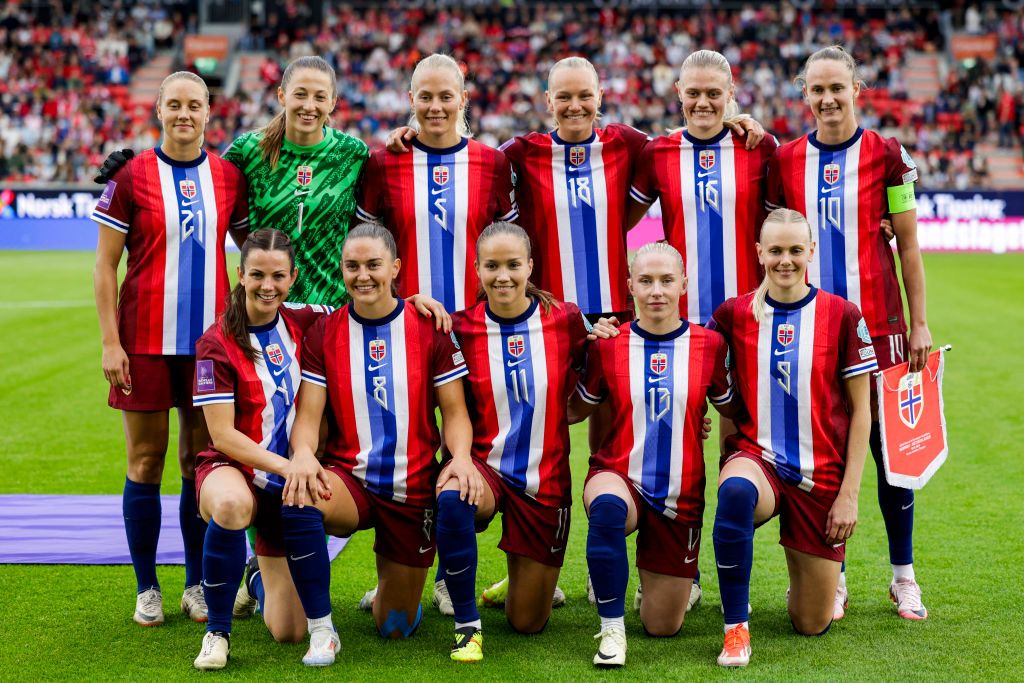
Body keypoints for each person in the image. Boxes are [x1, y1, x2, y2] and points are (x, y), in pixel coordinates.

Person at [766, 45, 932, 621]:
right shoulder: (785, 161)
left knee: (893, 459)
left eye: (838, 87)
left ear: (857, 89)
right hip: (816, 332)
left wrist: (918, 322)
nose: (828, 98)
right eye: (817, 89)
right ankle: (834, 577)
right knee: (830, 457)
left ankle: (903, 576)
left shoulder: (888, 154)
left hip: (882, 328)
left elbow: (908, 246)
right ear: (804, 95)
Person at [91, 71, 249, 629]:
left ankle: (197, 585)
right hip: (143, 343)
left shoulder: (230, 177)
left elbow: (254, 253)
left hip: (209, 347)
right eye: (174, 105)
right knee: (145, 460)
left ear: (210, 112)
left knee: (198, 463)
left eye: (195, 105)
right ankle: (147, 586)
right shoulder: (133, 176)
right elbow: (105, 265)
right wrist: (111, 342)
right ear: (159, 110)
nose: (185, 114)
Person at [281, 223, 477, 667]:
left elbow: (455, 412)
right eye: (352, 266)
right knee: (299, 496)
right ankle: (322, 630)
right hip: (349, 480)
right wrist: (305, 456)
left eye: (373, 265)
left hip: (412, 489)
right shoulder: (324, 332)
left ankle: (392, 588)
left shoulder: (430, 328)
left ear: (395, 267)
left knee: (395, 627)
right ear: (341, 269)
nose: (362, 275)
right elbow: (309, 416)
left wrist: (461, 458)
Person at [437, 221, 612, 662]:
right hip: (482, 470)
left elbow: (605, 366)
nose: (503, 276)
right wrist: (417, 301)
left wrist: (611, 335)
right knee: (453, 498)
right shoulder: (459, 328)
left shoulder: (566, 320)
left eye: (514, 265)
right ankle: (466, 625)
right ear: (476, 270)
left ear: (530, 266)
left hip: (544, 480)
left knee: (527, 623)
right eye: (492, 266)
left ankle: (517, 584)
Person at [708, 208, 874, 668]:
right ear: (759, 253)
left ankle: (816, 578)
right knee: (735, 491)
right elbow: (685, 355)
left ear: (811, 253)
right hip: (756, 459)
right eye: (776, 251)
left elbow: (863, 412)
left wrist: (849, 496)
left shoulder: (841, 315)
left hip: (820, 476)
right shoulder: (733, 313)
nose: (785, 260)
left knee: (811, 622)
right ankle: (735, 629)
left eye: (795, 250)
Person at [569, 242, 738, 668]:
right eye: (645, 281)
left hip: (679, 497)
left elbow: (733, 408)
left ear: (683, 283)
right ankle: (611, 631)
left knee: (662, 625)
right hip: (617, 475)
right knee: (606, 508)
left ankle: (653, 583)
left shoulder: (710, 345)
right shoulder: (607, 346)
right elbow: (573, 410)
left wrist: (698, 418)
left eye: (666, 280)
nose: (656, 290)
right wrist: (573, 344)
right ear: (630, 287)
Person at [96, 56, 369, 308]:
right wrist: (130, 168)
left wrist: (405, 136)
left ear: (333, 102)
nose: (309, 105)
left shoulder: (354, 153)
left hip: (333, 309)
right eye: (300, 94)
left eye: (320, 97)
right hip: (265, 311)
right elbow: (201, 175)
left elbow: (375, 214)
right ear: (282, 96)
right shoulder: (248, 150)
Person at [190, 229, 330, 670]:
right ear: (240, 274)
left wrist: (420, 302)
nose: (267, 286)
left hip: (283, 485)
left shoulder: (305, 319)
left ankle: (253, 579)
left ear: (293, 278)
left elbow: (369, 307)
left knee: (288, 631)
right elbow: (225, 436)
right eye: (257, 275)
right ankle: (217, 633)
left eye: (278, 276)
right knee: (231, 506)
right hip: (232, 469)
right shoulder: (215, 343)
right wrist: (292, 466)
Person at [357, 53, 519, 313]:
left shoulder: (494, 164)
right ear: (411, 100)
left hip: (476, 322)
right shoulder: (382, 165)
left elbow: (514, 249)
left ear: (462, 99)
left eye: (445, 97)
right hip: (406, 320)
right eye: (425, 97)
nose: (435, 107)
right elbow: (362, 249)